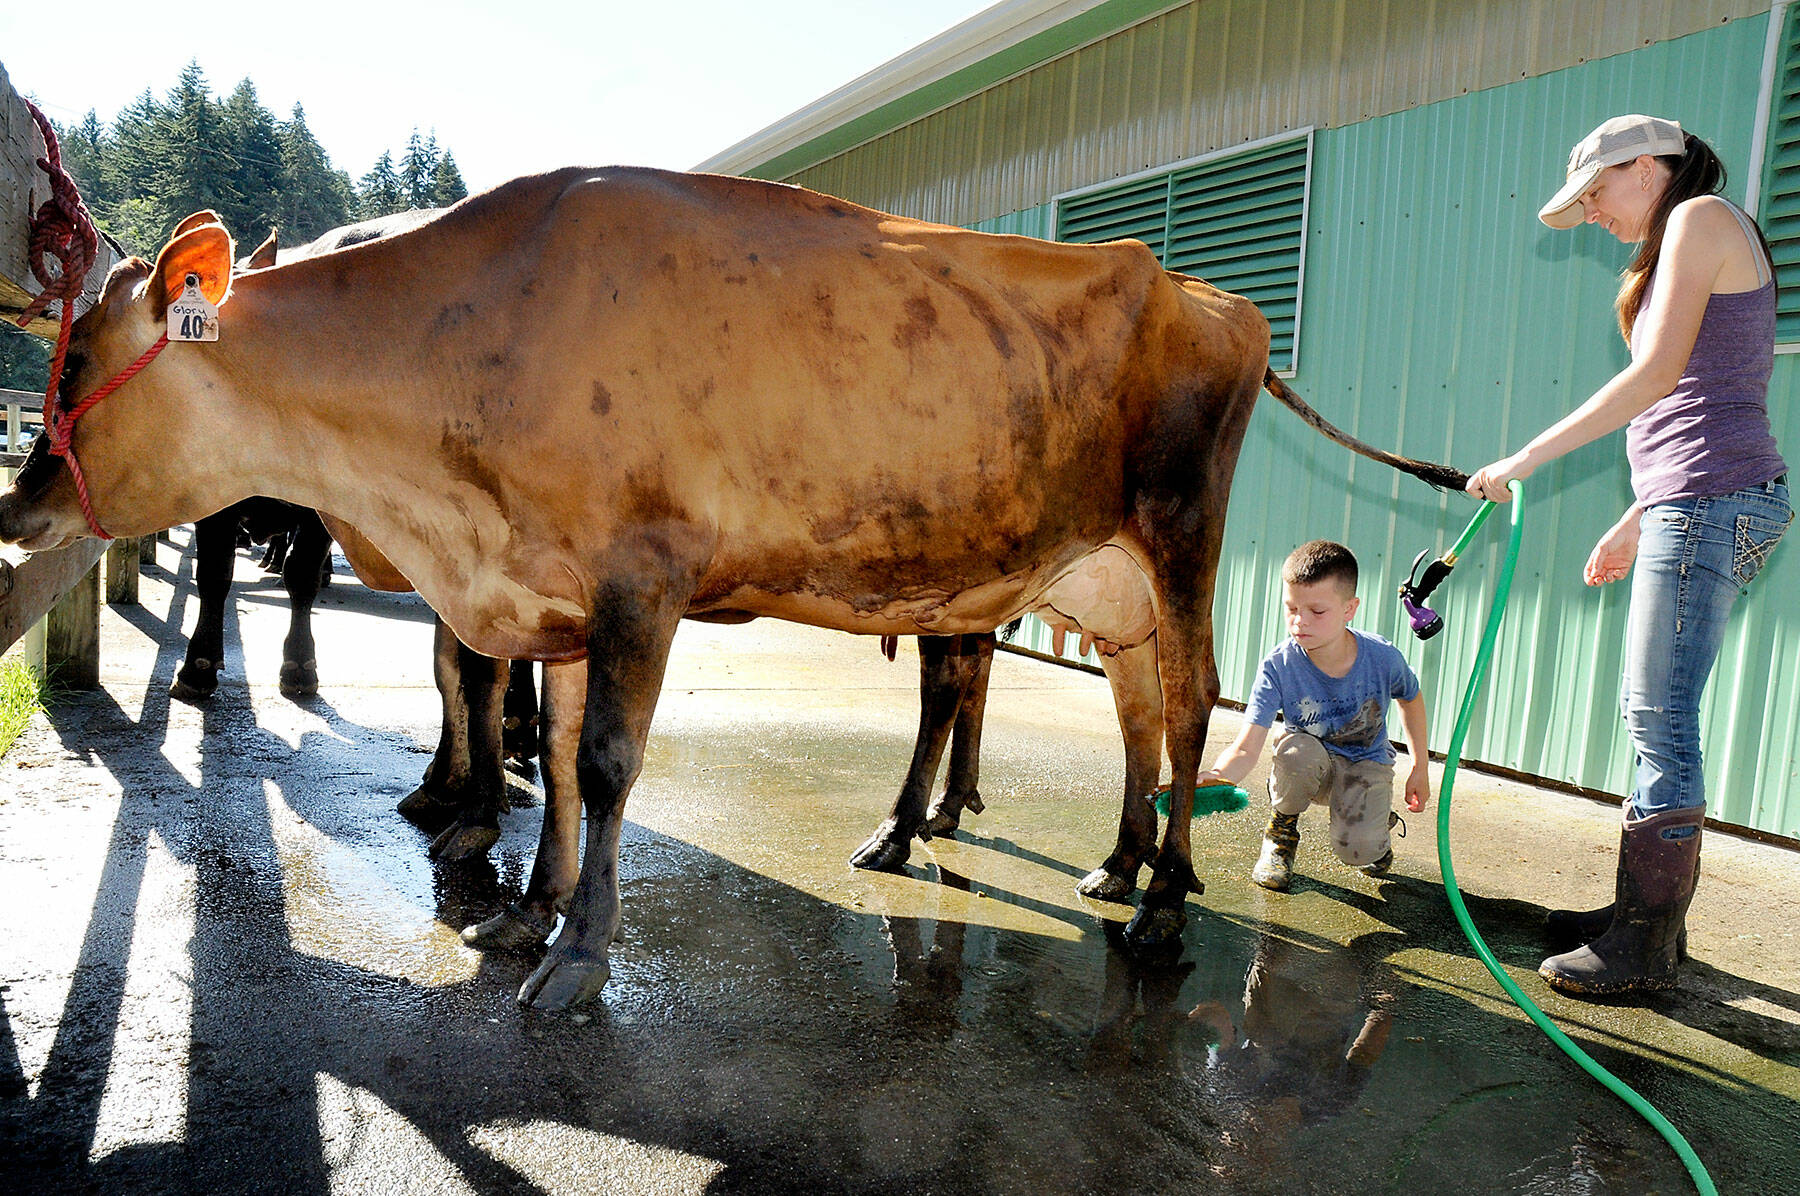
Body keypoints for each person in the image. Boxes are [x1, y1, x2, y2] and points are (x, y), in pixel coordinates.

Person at [1466, 115, 1792, 996]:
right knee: (1654, 712)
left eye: (1596, 193)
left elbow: (1654, 379)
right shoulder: (1685, 235)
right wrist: (1637, 517)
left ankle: (1643, 947)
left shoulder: (1701, 219)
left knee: (1660, 717)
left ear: (1644, 166)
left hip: (1714, 504)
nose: (1594, 213)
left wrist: (1523, 459)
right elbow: (1698, 401)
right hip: (1697, 501)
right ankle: (1638, 921)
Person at [1200, 540, 1431, 892]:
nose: (1300, 622)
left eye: (1316, 612)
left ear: (1349, 609)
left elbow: (1411, 699)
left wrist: (1420, 766)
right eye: (1291, 608)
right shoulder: (1278, 665)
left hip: (1365, 763)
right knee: (1295, 751)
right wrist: (1217, 775)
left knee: (1360, 852)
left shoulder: (1382, 657)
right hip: (1311, 767)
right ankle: (1280, 833)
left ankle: (1375, 821)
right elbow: (1246, 747)